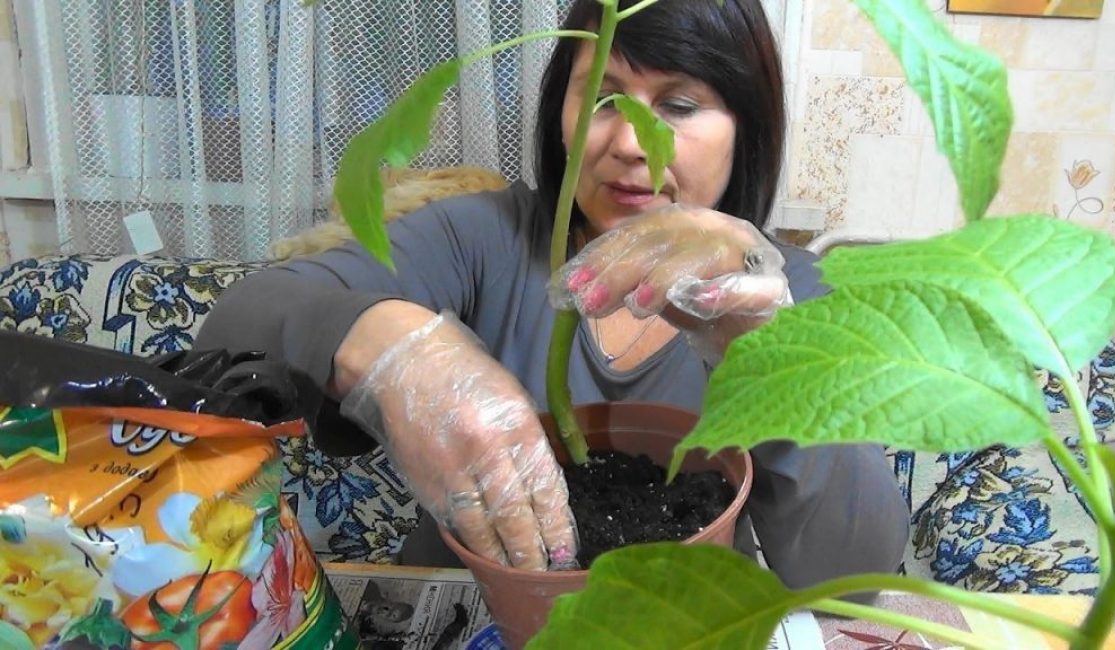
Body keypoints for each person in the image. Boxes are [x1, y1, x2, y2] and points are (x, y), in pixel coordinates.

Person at [194, 0, 910, 589]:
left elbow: (860, 572)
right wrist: (392, 351)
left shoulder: (787, 290)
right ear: (557, 109)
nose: (631, 144)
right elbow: (234, 327)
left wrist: (771, 363)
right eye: (601, 96)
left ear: (745, 131)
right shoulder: (483, 237)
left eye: (681, 104)